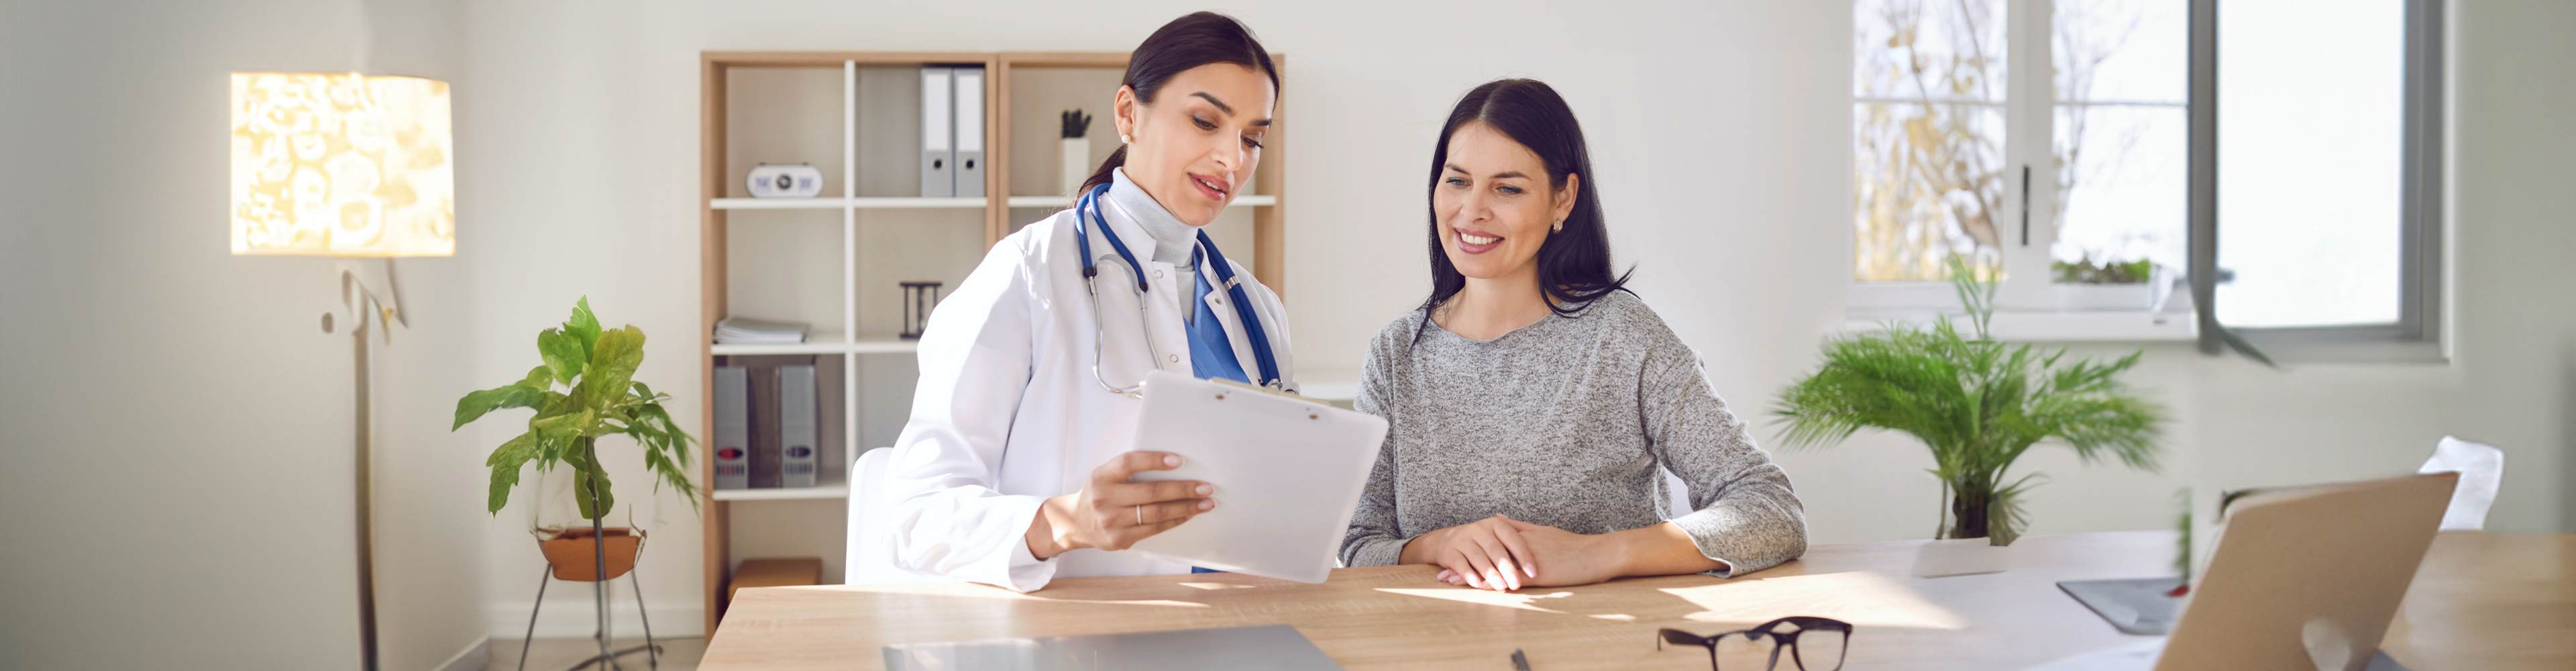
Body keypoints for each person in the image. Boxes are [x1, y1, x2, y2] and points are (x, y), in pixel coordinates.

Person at [1339, 79, 1806, 591]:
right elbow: (1361, 545)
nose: (1472, 210)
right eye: (1457, 181)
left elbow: (1771, 510)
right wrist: (1437, 544)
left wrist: (1597, 554)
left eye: (1508, 188)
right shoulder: (1395, 353)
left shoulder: (1624, 339)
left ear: (1563, 199)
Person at [881, 12, 1287, 592]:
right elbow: (916, 516)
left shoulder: (1259, 311)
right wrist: (1063, 522)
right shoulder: (1027, 271)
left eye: (1252, 138)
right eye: (1205, 121)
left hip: (1244, 623)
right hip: (1077, 639)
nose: (1233, 158)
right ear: (1128, 114)